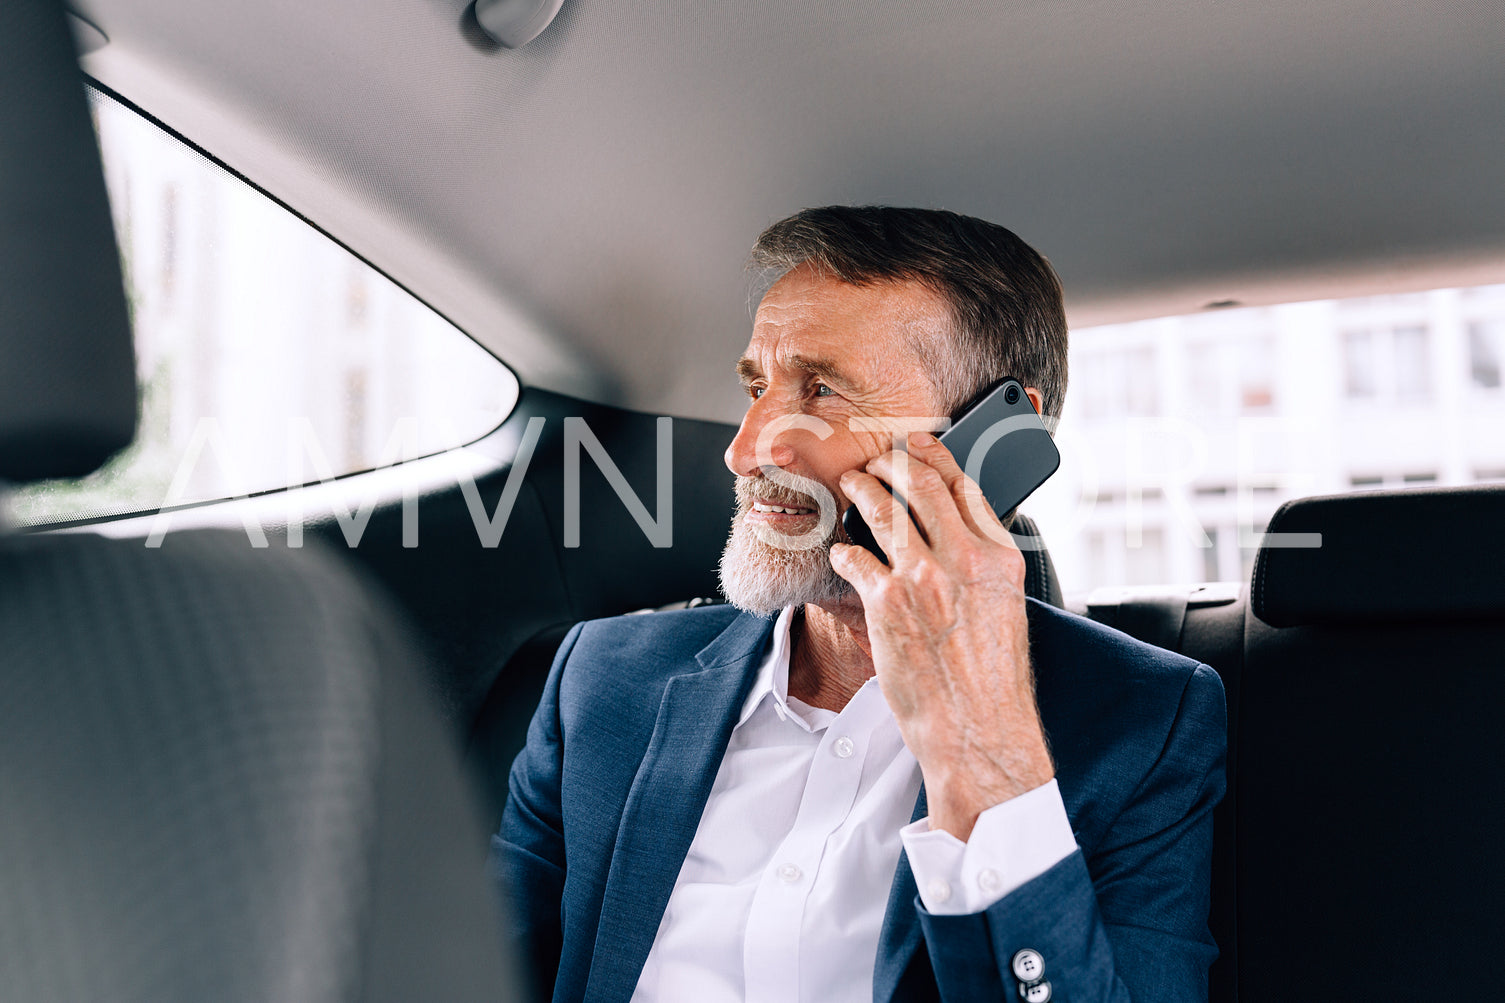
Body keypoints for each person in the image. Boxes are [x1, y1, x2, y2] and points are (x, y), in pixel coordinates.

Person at [493, 206, 1226, 1003]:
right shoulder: (602, 680)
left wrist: (979, 748)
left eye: (823, 389)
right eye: (756, 387)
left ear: (994, 442)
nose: (746, 449)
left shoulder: (1140, 722)